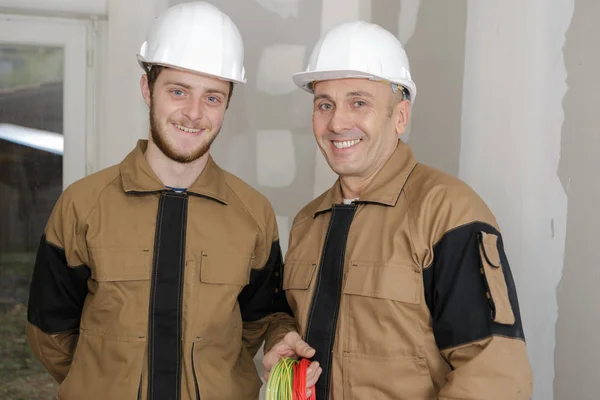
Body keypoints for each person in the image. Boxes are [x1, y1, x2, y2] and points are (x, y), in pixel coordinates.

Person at [25, 2, 317, 399]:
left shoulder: (254, 214)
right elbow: (50, 331)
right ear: (148, 89)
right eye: (178, 91)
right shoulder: (82, 205)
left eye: (212, 97)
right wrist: (101, 382)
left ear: (228, 103)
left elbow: (257, 324)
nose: (194, 113)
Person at [280, 20, 533, 399]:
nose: (337, 122)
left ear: (400, 116)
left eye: (358, 102)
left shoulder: (448, 213)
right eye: (325, 105)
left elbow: (494, 377)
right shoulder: (308, 222)